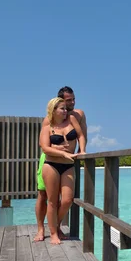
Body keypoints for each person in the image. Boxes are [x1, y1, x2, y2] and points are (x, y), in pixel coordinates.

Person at [35, 86, 87, 242]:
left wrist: (82, 150)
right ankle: (42, 229)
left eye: (73, 99)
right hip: (49, 160)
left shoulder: (77, 115)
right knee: (44, 196)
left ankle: (55, 226)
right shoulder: (48, 122)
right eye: (67, 101)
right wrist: (61, 151)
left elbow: (82, 135)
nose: (71, 103)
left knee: (66, 200)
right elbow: (44, 146)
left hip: (69, 161)